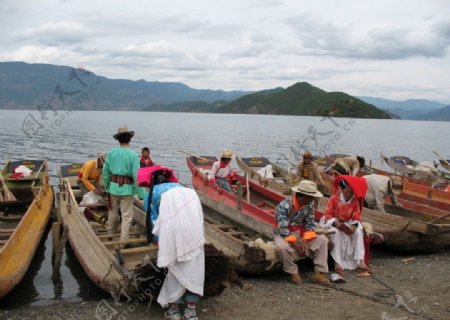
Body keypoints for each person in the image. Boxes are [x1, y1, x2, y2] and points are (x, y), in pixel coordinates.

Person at [145, 169, 205, 320]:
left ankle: (175, 311)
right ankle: (191, 312)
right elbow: (199, 214)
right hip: (194, 232)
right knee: (194, 270)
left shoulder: (152, 194)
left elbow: (153, 220)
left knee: (174, 270)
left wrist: (159, 242)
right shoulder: (186, 190)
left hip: (172, 231)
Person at [273, 180, 330, 285]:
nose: (313, 199)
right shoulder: (284, 205)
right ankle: (293, 272)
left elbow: (310, 223)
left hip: (301, 233)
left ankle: (319, 273)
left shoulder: (309, 204)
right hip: (284, 234)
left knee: (322, 240)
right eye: (311, 197)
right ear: (304, 196)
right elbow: (283, 228)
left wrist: (304, 240)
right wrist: (295, 244)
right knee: (282, 247)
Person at [324, 175, 370, 274]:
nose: (349, 194)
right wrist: (336, 224)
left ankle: (360, 261)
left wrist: (353, 227)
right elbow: (328, 214)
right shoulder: (333, 198)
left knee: (358, 232)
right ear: (342, 189)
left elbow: (357, 217)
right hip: (333, 223)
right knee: (336, 233)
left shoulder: (354, 201)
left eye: (351, 191)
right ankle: (337, 263)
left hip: (348, 223)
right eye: (347, 191)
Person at [102, 126, 141, 242]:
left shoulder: (112, 153)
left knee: (112, 211)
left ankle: (110, 233)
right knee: (127, 216)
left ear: (118, 140)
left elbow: (105, 172)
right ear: (130, 139)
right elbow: (136, 176)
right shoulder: (133, 155)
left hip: (113, 188)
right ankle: (124, 240)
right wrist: (140, 192)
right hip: (127, 190)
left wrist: (107, 186)